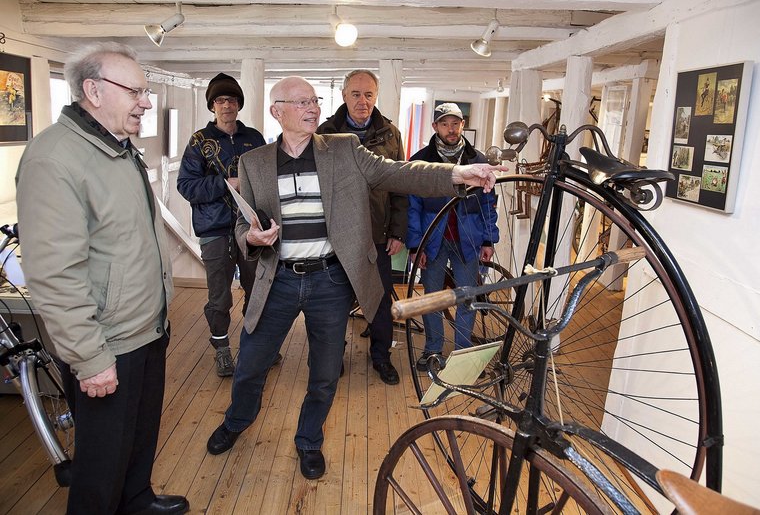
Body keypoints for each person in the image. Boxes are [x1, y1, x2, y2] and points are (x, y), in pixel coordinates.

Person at [206, 76, 505, 480]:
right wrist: (253, 237)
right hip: (277, 280)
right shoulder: (254, 162)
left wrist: (457, 174)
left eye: (314, 100)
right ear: (277, 111)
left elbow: (400, 172)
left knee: (326, 371)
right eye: (300, 102)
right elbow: (245, 223)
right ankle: (237, 421)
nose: (312, 108)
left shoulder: (344, 148)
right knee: (252, 363)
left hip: (329, 281)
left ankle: (309, 440)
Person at [15, 42, 188, 514]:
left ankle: (136, 500)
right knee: (101, 463)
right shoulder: (55, 159)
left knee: (138, 437)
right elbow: (55, 273)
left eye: (146, 92)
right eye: (136, 91)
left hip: (144, 329)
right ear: (92, 90)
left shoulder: (117, 149)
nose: (146, 102)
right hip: (106, 342)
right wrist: (89, 357)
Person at [177, 73, 275, 378]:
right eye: (220, 100)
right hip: (215, 230)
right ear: (212, 106)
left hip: (250, 228)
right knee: (219, 296)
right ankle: (221, 349)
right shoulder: (199, 141)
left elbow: (268, 179)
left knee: (256, 289)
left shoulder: (254, 139)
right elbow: (186, 186)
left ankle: (254, 346)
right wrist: (225, 184)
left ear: (238, 104)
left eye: (231, 100)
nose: (226, 105)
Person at [317, 69, 406, 385]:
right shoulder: (325, 134)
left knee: (380, 300)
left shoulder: (391, 135)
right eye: (356, 94)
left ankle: (381, 357)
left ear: (376, 96)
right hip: (337, 237)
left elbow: (400, 185)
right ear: (343, 96)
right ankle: (333, 358)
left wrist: (397, 231)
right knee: (336, 300)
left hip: (377, 237)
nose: (362, 101)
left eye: (368, 94)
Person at [407, 103, 500, 371]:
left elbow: (488, 205)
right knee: (432, 297)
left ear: (462, 125)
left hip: (468, 241)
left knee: (467, 297)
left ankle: (462, 354)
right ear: (435, 127)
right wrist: (415, 244)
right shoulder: (420, 162)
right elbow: (413, 207)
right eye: (445, 124)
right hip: (432, 240)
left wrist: (488, 240)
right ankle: (433, 349)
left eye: (455, 123)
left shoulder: (478, 161)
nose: (451, 129)